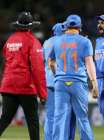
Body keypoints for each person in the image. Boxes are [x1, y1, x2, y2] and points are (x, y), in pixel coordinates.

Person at [49, 14, 98, 140]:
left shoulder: (57, 40)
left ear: (66, 26)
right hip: (78, 83)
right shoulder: (85, 41)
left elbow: (51, 62)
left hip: (61, 82)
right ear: (79, 27)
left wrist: (57, 75)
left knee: (59, 117)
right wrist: (94, 83)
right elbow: (89, 63)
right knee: (82, 118)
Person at [0, 11, 47, 140]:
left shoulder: (9, 40)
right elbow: (38, 69)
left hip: (8, 85)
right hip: (26, 87)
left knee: (5, 119)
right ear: (31, 26)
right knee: (33, 122)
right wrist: (42, 94)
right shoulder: (33, 42)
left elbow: (6, 59)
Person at [43, 23, 76, 140]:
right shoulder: (67, 42)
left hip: (49, 82)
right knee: (63, 115)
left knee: (50, 115)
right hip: (63, 81)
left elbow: (43, 61)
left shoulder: (46, 43)